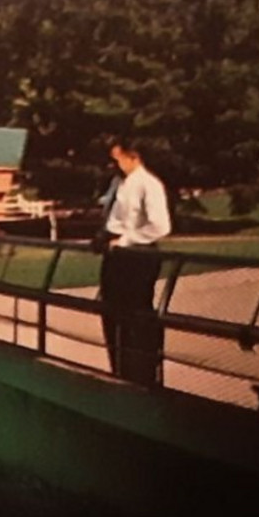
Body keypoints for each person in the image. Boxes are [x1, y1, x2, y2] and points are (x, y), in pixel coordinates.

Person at [96, 138, 172, 385]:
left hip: (137, 255)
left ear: (133, 157)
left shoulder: (149, 185)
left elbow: (160, 226)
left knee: (136, 316)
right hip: (115, 255)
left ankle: (142, 375)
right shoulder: (118, 183)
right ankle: (119, 369)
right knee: (111, 313)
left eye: (117, 159)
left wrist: (127, 240)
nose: (113, 165)